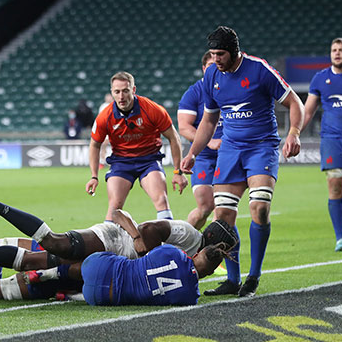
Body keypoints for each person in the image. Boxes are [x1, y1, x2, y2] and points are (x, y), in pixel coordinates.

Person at [180, 26, 304, 298]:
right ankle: (232, 280)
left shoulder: (259, 70)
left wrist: (293, 133)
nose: (215, 59)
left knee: (259, 208)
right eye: (212, 54)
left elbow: (295, 102)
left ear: (234, 51)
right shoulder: (212, 74)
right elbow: (209, 120)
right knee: (223, 218)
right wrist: (192, 153)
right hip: (231, 150)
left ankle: (254, 276)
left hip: (261, 147)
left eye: (220, 54)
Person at [0, 188, 237, 289]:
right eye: (222, 251)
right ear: (213, 240)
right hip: (114, 241)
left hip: (115, 260)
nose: (219, 258)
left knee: (32, 263)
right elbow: (150, 229)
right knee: (54, 242)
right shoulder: (189, 234)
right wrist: (142, 246)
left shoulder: (196, 258)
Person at [86, 71, 187, 222]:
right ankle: (108, 245)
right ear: (111, 93)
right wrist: (94, 176)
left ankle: (167, 245)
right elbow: (94, 145)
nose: (121, 96)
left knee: (161, 200)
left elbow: (174, 137)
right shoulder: (105, 116)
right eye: (117, 92)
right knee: (114, 207)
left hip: (149, 161)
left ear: (133, 90)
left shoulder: (152, 109)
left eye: (125, 91)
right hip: (121, 162)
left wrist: (178, 171)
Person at [301, 37, 342, 252]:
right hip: (331, 140)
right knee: (335, 183)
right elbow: (307, 111)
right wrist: (294, 134)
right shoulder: (320, 79)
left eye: (341, 50)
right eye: (333, 50)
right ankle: (340, 238)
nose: (336, 53)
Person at [82, 243, 226, 306]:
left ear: (195, 255)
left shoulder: (173, 252)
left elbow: (149, 255)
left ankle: (59, 272)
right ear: (210, 273)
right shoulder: (190, 296)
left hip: (100, 267)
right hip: (102, 297)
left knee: (115, 261)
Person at [177, 52, 223, 230]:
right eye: (211, 65)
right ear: (204, 69)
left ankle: (212, 251)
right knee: (205, 207)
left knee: (222, 207)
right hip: (203, 156)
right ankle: (184, 241)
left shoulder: (228, 88)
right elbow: (184, 127)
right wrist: (209, 142)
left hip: (227, 155)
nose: (215, 68)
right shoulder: (194, 92)